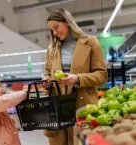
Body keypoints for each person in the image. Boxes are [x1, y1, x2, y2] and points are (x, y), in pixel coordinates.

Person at [42, 8, 108, 145]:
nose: (55, 33)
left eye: (56, 27)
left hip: (82, 104)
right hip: (58, 107)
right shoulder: (51, 49)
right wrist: (46, 81)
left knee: (80, 140)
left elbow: (102, 75)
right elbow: (47, 73)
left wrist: (77, 79)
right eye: (51, 30)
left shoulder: (90, 42)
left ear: (67, 22)